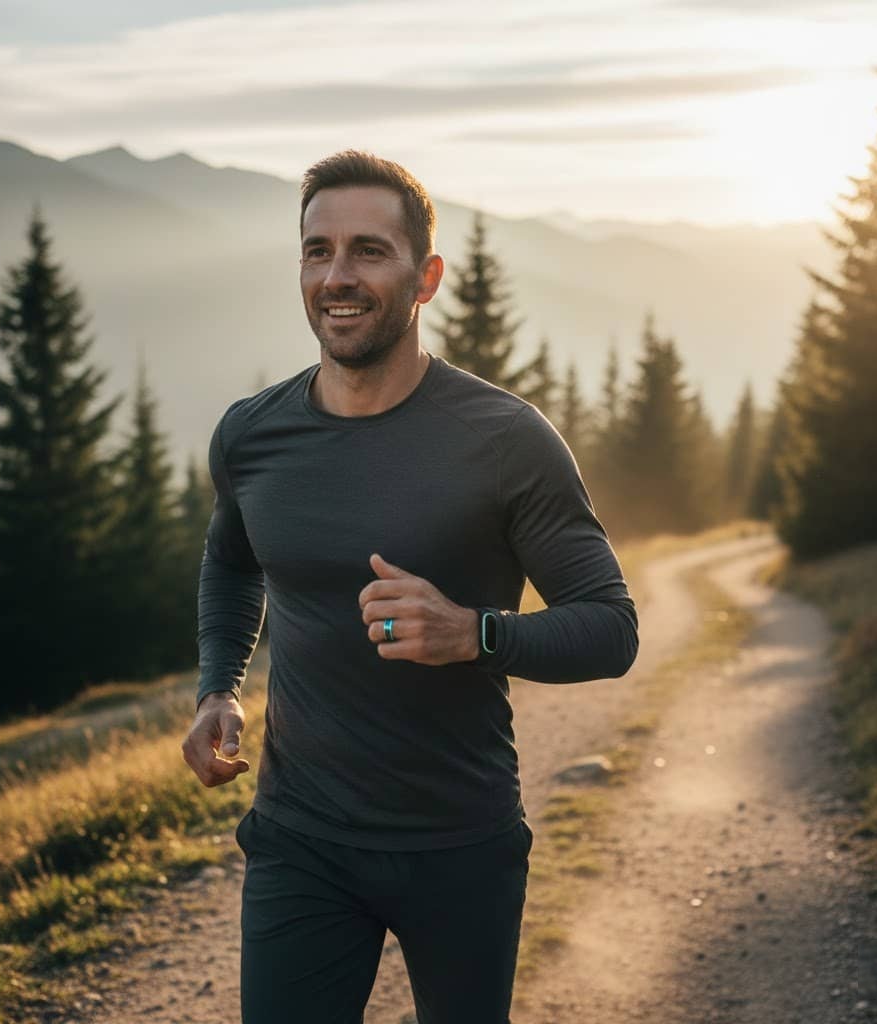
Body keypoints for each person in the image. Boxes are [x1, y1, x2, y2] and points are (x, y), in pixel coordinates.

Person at [181, 150, 638, 1024]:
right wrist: (218, 687)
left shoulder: (507, 440)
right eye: (317, 252)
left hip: (459, 843)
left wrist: (475, 633)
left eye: (368, 251)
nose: (337, 277)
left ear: (425, 278)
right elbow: (233, 561)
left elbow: (611, 629)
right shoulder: (251, 436)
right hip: (299, 840)